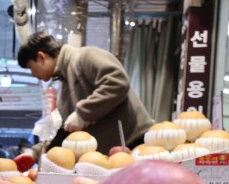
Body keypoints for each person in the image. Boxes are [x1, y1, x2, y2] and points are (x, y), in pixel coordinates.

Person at [17, 31, 153, 154]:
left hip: (137, 144)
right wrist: (37, 152)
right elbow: (68, 131)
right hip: (111, 157)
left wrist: (83, 113)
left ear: (41, 56)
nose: (33, 74)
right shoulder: (63, 91)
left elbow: (117, 82)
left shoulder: (85, 57)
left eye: (30, 67)